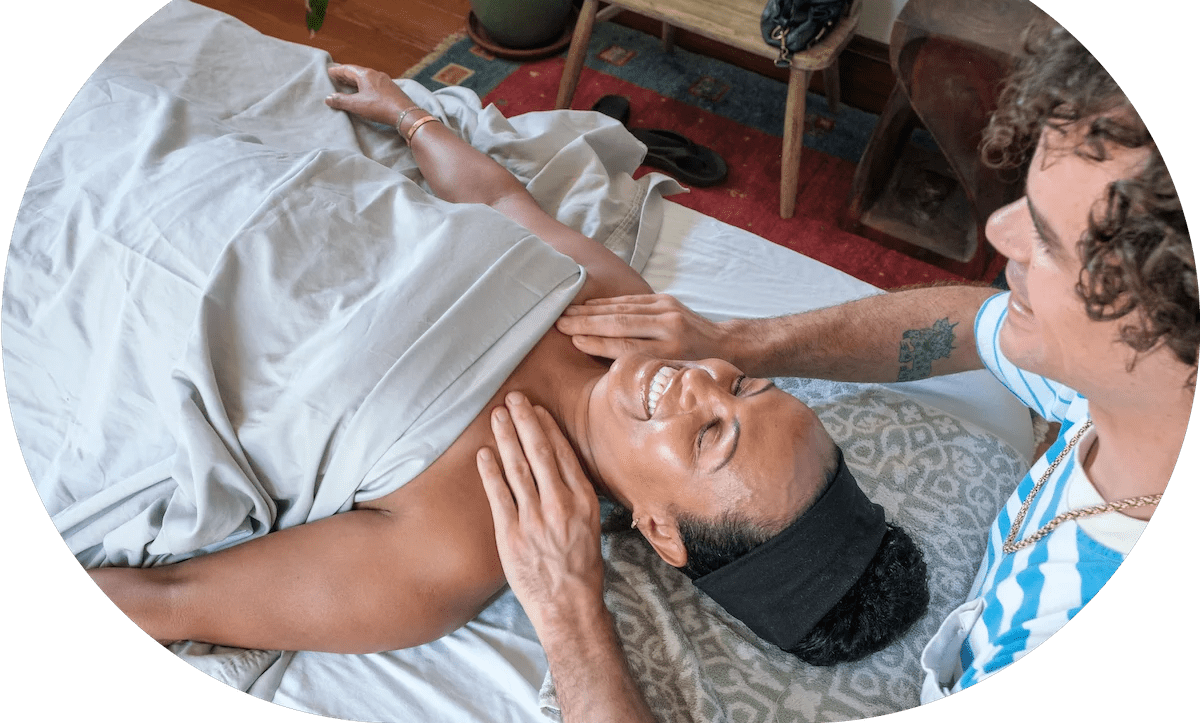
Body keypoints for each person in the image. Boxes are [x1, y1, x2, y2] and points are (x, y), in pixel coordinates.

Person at [85, 64, 927, 664]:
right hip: (238, 168)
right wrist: (410, 117)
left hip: (117, 263)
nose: (701, 380)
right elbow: (498, 200)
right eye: (744, 383)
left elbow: (165, 601)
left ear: (663, 531)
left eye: (709, 435)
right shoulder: (638, 322)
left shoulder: (452, 550)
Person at [549, 21, 1195, 704]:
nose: (999, 234)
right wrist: (741, 346)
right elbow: (967, 327)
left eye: (1048, 240)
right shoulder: (1112, 384)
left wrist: (567, 607)